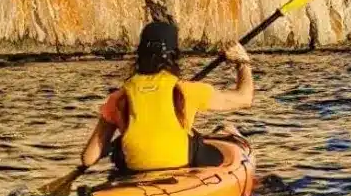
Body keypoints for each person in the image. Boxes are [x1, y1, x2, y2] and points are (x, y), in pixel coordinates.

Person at [80, 19, 253, 173]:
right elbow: (245, 98)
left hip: (134, 169)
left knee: (120, 150)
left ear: (139, 55)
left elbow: (88, 158)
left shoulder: (118, 98)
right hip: (181, 165)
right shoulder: (187, 90)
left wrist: (109, 145)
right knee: (220, 137)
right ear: (175, 56)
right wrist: (242, 62)